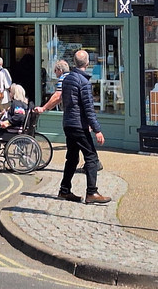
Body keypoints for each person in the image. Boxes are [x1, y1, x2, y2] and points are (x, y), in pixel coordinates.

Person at [57, 49, 110, 204]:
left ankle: (64, 190)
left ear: (75, 62)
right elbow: (88, 108)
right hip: (79, 125)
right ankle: (91, 193)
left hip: (68, 123)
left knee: (72, 158)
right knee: (91, 157)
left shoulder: (67, 79)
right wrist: (97, 129)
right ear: (87, 63)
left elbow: (65, 102)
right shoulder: (84, 82)